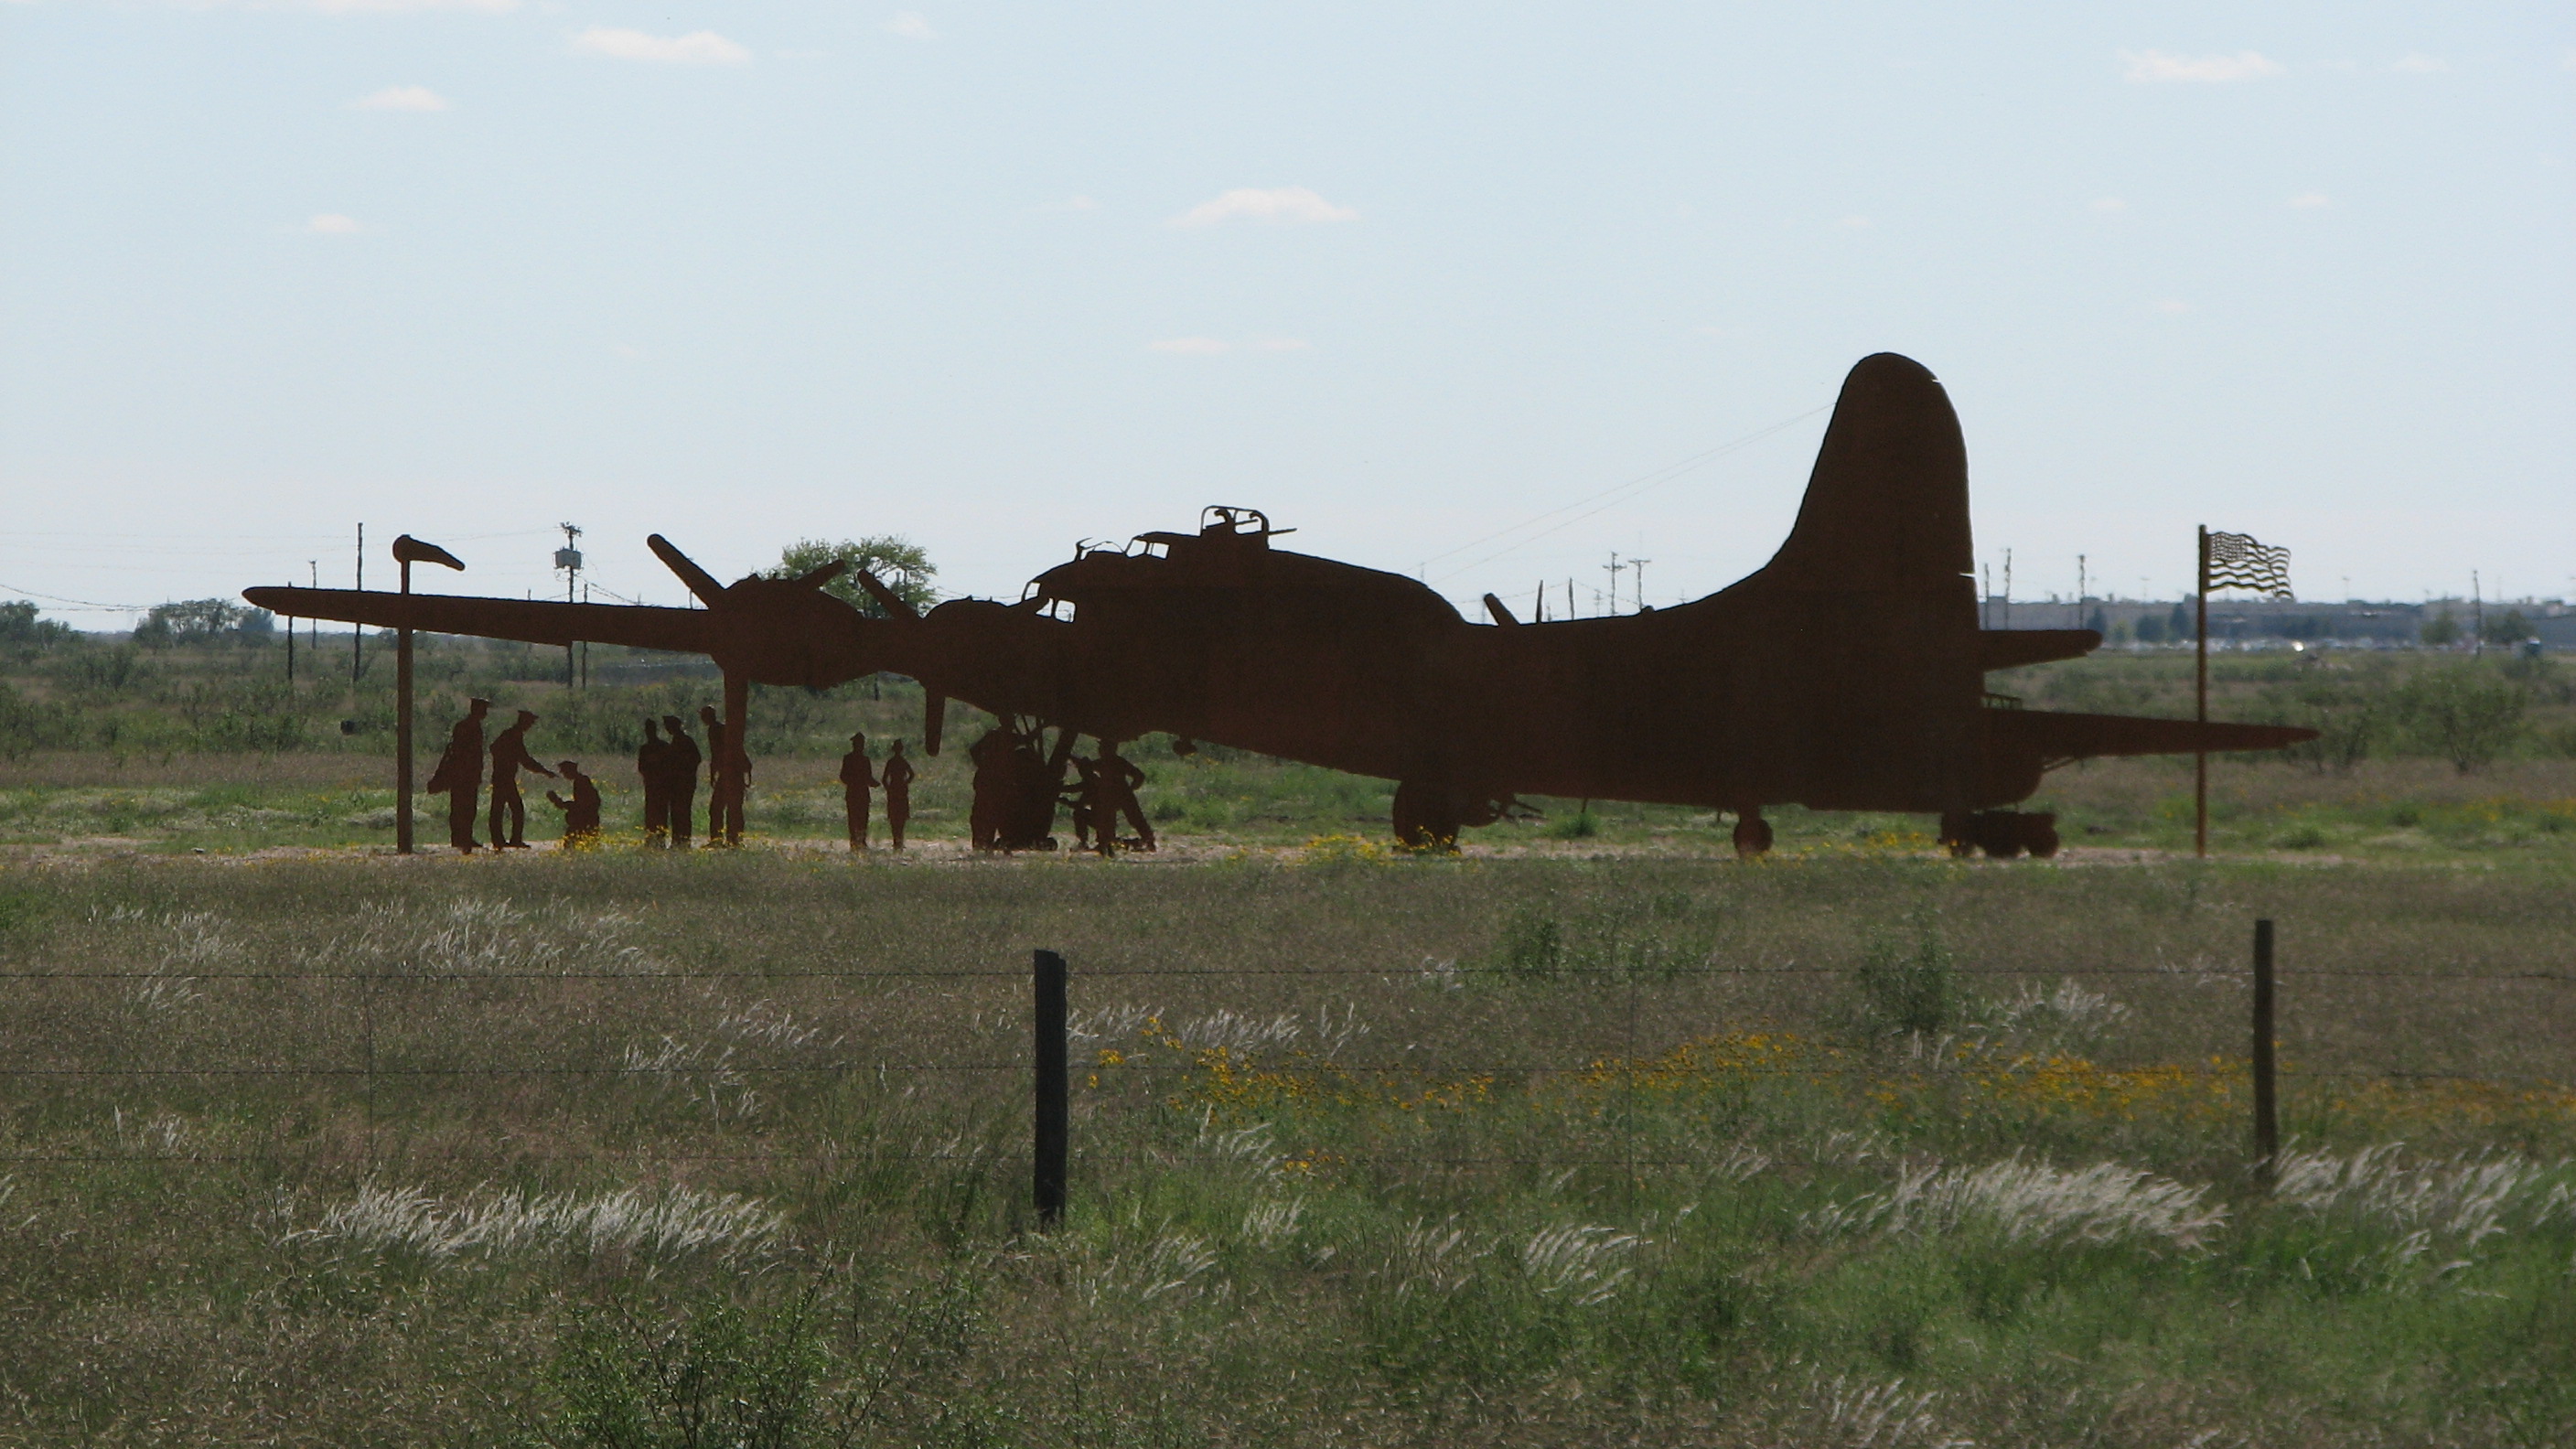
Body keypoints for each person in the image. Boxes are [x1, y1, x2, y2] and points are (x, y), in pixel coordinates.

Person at [424, 698, 490, 853]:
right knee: (459, 806)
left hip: (471, 774)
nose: (485, 713)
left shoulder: (476, 727)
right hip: (461, 774)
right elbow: (456, 751)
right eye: (483, 709)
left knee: (470, 807)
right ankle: (459, 838)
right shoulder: (464, 727)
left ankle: (466, 836)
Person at [487, 709, 556, 850]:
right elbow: (525, 759)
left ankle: (502, 840)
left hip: (504, 777)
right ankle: (509, 840)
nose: (530, 725)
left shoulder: (513, 734)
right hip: (504, 778)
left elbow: (521, 758)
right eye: (529, 722)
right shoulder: (512, 735)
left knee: (501, 808)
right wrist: (544, 771)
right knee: (513, 808)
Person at [701, 703, 748, 847]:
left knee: (717, 808)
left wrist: (712, 774)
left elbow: (717, 754)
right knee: (732, 807)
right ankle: (734, 838)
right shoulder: (721, 729)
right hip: (734, 774)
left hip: (728, 774)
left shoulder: (714, 730)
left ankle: (720, 839)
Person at [1099, 738, 1156, 852]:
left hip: (1122, 794)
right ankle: (1106, 842)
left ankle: (1149, 841)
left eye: (1103, 748)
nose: (1100, 750)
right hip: (1116, 794)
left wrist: (1130, 789)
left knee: (1135, 818)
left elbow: (1139, 775)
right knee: (1109, 818)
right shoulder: (1104, 762)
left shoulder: (1118, 762)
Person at [660, 714, 702, 849]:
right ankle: (678, 840)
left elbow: (696, 759)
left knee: (682, 812)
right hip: (677, 783)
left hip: (684, 783)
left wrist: (683, 770)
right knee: (677, 812)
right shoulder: (678, 741)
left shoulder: (684, 741)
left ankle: (683, 841)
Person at [547, 759, 601, 847]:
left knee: (573, 843)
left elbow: (583, 804)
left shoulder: (581, 782)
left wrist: (564, 804)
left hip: (585, 818)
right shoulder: (581, 780)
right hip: (587, 817)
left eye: (564, 772)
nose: (564, 775)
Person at [838, 732, 876, 851]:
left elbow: (843, 777)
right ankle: (857, 842)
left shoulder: (851, 759)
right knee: (859, 818)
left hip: (854, 793)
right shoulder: (863, 760)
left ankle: (857, 842)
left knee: (857, 818)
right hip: (859, 792)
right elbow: (844, 776)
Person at [636, 718, 670, 847]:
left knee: (660, 813)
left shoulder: (662, 747)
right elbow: (641, 767)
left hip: (661, 786)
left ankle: (660, 840)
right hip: (651, 786)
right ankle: (651, 839)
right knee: (651, 813)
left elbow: (669, 766)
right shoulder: (646, 749)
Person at [880, 738, 916, 851]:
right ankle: (899, 840)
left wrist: (888, 789)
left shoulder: (891, 762)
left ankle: (896, 840)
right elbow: (912, 774)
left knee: (894, 817)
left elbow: (884, 778)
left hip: (894, 789)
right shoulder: (902, 761)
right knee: (901, 817)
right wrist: (905, 783)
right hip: (901, 789)